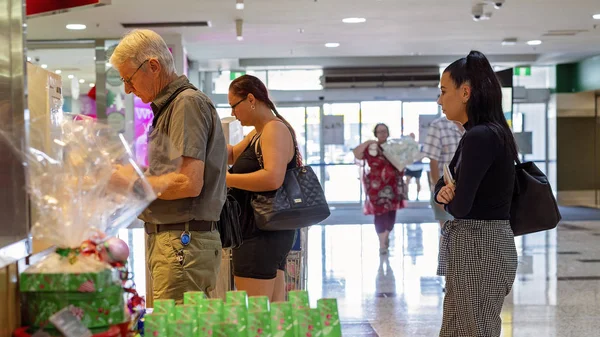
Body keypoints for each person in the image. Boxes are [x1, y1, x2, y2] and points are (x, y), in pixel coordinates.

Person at [109, 29, 227, 303]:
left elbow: (188, 182)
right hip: (176, 241)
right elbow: (170, 175)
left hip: (182, 241)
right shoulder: (171, 107)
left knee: (177, 327)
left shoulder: (186, 104)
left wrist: (132, 182)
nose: (127, 88)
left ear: (153, 66)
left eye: (129, 78)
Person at [434, 50, 518, 337]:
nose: (440, 99)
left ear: (466, 92)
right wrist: (443, 194)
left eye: (444, 91)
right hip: (481, 243)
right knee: (458, 326)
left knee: (474, 329)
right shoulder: (484, 133)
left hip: (479, 245)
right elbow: (448, 187)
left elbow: (462, 205)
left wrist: (449, 198)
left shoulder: (480, 136)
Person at [225, 75, 297, 302]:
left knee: (256, 313)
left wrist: (227, 180)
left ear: (250, 99)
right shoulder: (259, 132)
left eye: (234, 106)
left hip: (260, 232)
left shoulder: (273, 130)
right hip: (261, 230)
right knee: (272, 312)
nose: (234, 114)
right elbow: (231, 154)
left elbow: (272, 178)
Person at [353, 123, 406, 255]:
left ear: (388, 133)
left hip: (393, 186)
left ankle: (386, 235)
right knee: (379, 213)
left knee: (391, 213)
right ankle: (382, 242)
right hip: (376, 187)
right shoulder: (371, 147)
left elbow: (405, 161)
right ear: (375, 134)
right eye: (379, 131)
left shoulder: (394, 147)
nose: (382, 134)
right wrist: (368, 141)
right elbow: (357, 153)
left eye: (384, 131)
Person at [422, 117, 464, 227]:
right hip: (445, 190)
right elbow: (433, 161)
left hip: (466, 191)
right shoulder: (438, 125)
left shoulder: (471, 125)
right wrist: (439, 193)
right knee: (447, 232)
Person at [404, 133, 424, 201]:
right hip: (409, 166)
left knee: (417, 181)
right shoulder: (406, 146)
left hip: (418, 167)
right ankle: (406, 196)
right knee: (407, 181)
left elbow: (422, 155)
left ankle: (417, 196)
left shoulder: (419, 146)